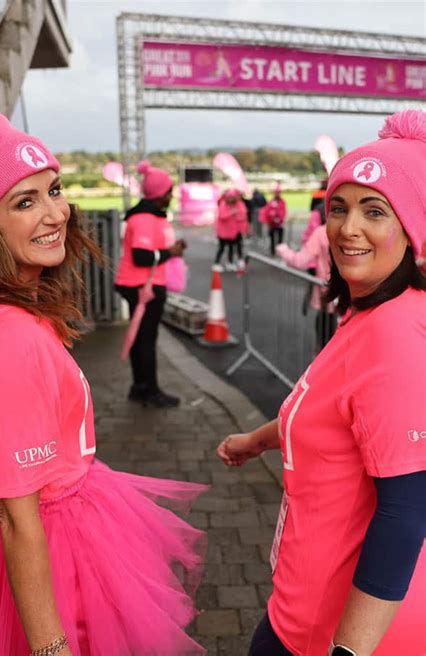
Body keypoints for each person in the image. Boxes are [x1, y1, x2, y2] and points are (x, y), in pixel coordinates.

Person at [0, 90, 207, 656]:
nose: (56, 213)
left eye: (55, 189)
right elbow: (18, 519)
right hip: (55, 542)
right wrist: (51, 648)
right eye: (24, 202)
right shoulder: (10, 341)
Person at [217, 109, 426, 656]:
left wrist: (348, 651)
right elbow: (328, 411)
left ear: (413, 228)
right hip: (302, 605)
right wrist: (254, 441)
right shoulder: (372, 311)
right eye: (338, 207)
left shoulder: (394, 335)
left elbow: (407, 511)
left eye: (374, 211)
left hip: (328, 630)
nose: (346, 227)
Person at [115, 160, 187, 407]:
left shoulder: (147, 214)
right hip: (141, 286)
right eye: (169, 191)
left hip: (142, 284)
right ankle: (149, 391)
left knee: (141, 338)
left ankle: (140, 387)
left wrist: (169, 251)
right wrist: (172, 252)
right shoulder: (145, 218)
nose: (171, 195)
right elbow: (142, 256)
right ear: (159, 194)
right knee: (146, 339)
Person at [276, 213, 337, 350]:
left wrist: (283, 250)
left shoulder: (322, 232)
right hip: (349, 295)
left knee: (326, 333)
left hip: (328, 292)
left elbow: (300, 261)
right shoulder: (356, 231)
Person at [213, 188, 247, 272]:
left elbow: (242, 215)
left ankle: (230, 263)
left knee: (232, 247)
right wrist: (231, 213)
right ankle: (216, 263)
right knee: (222, 248)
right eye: (229, 197)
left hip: (232, 232)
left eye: (233, 197)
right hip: (223, 232)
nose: (231, 199)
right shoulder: (223, 204)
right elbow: (222, 216)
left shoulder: (238, 204)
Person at [259, 183, 287, 255]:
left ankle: (280, 252)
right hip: (272, 223)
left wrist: (280, 218)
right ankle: (273, 252)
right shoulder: (271, 202)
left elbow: (283, 211)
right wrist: (272, 217)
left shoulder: (282, 201)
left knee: (280, 240)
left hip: (280, 224)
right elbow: (267, 211)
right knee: (272, 239)